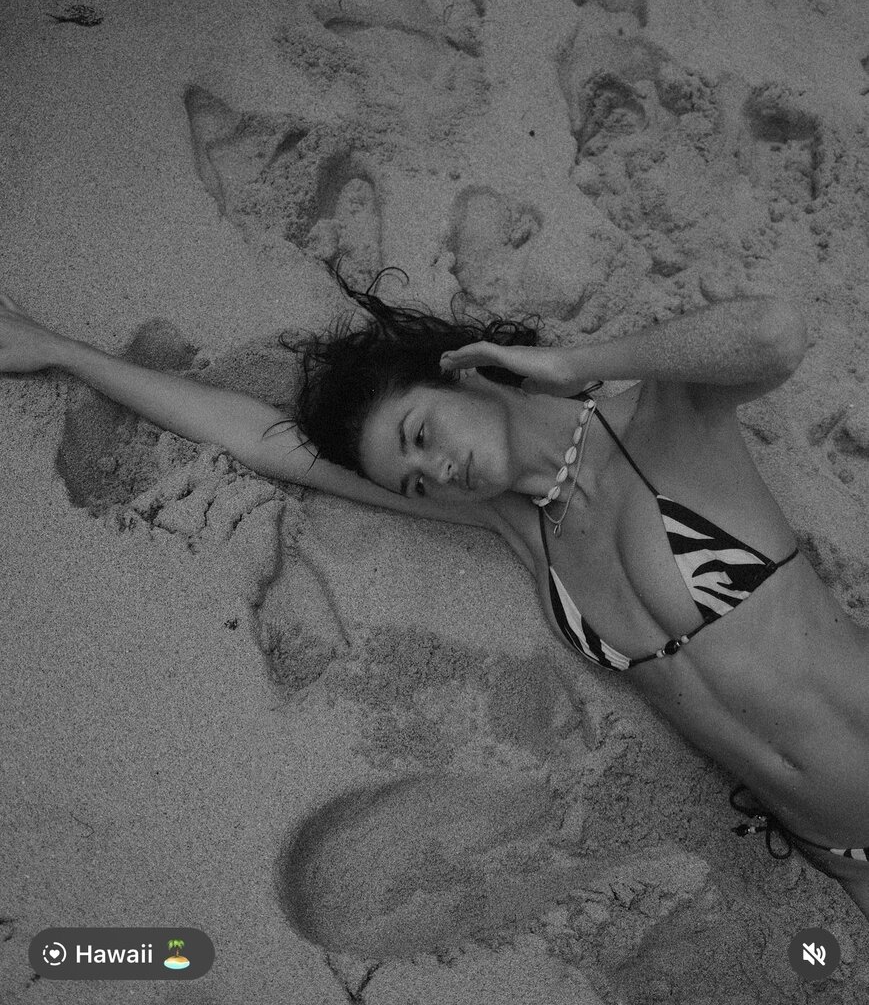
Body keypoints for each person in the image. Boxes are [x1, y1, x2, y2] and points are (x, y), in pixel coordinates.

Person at [2, 268, 867, 921]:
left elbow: (774, 333)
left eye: (420, 434)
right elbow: (261, 441)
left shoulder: (660, 422)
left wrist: (571, 362)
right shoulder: (512, 524)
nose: (435, 473)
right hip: (839, 857)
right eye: (413, 481)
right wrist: (62, 351)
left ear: (468, 374)